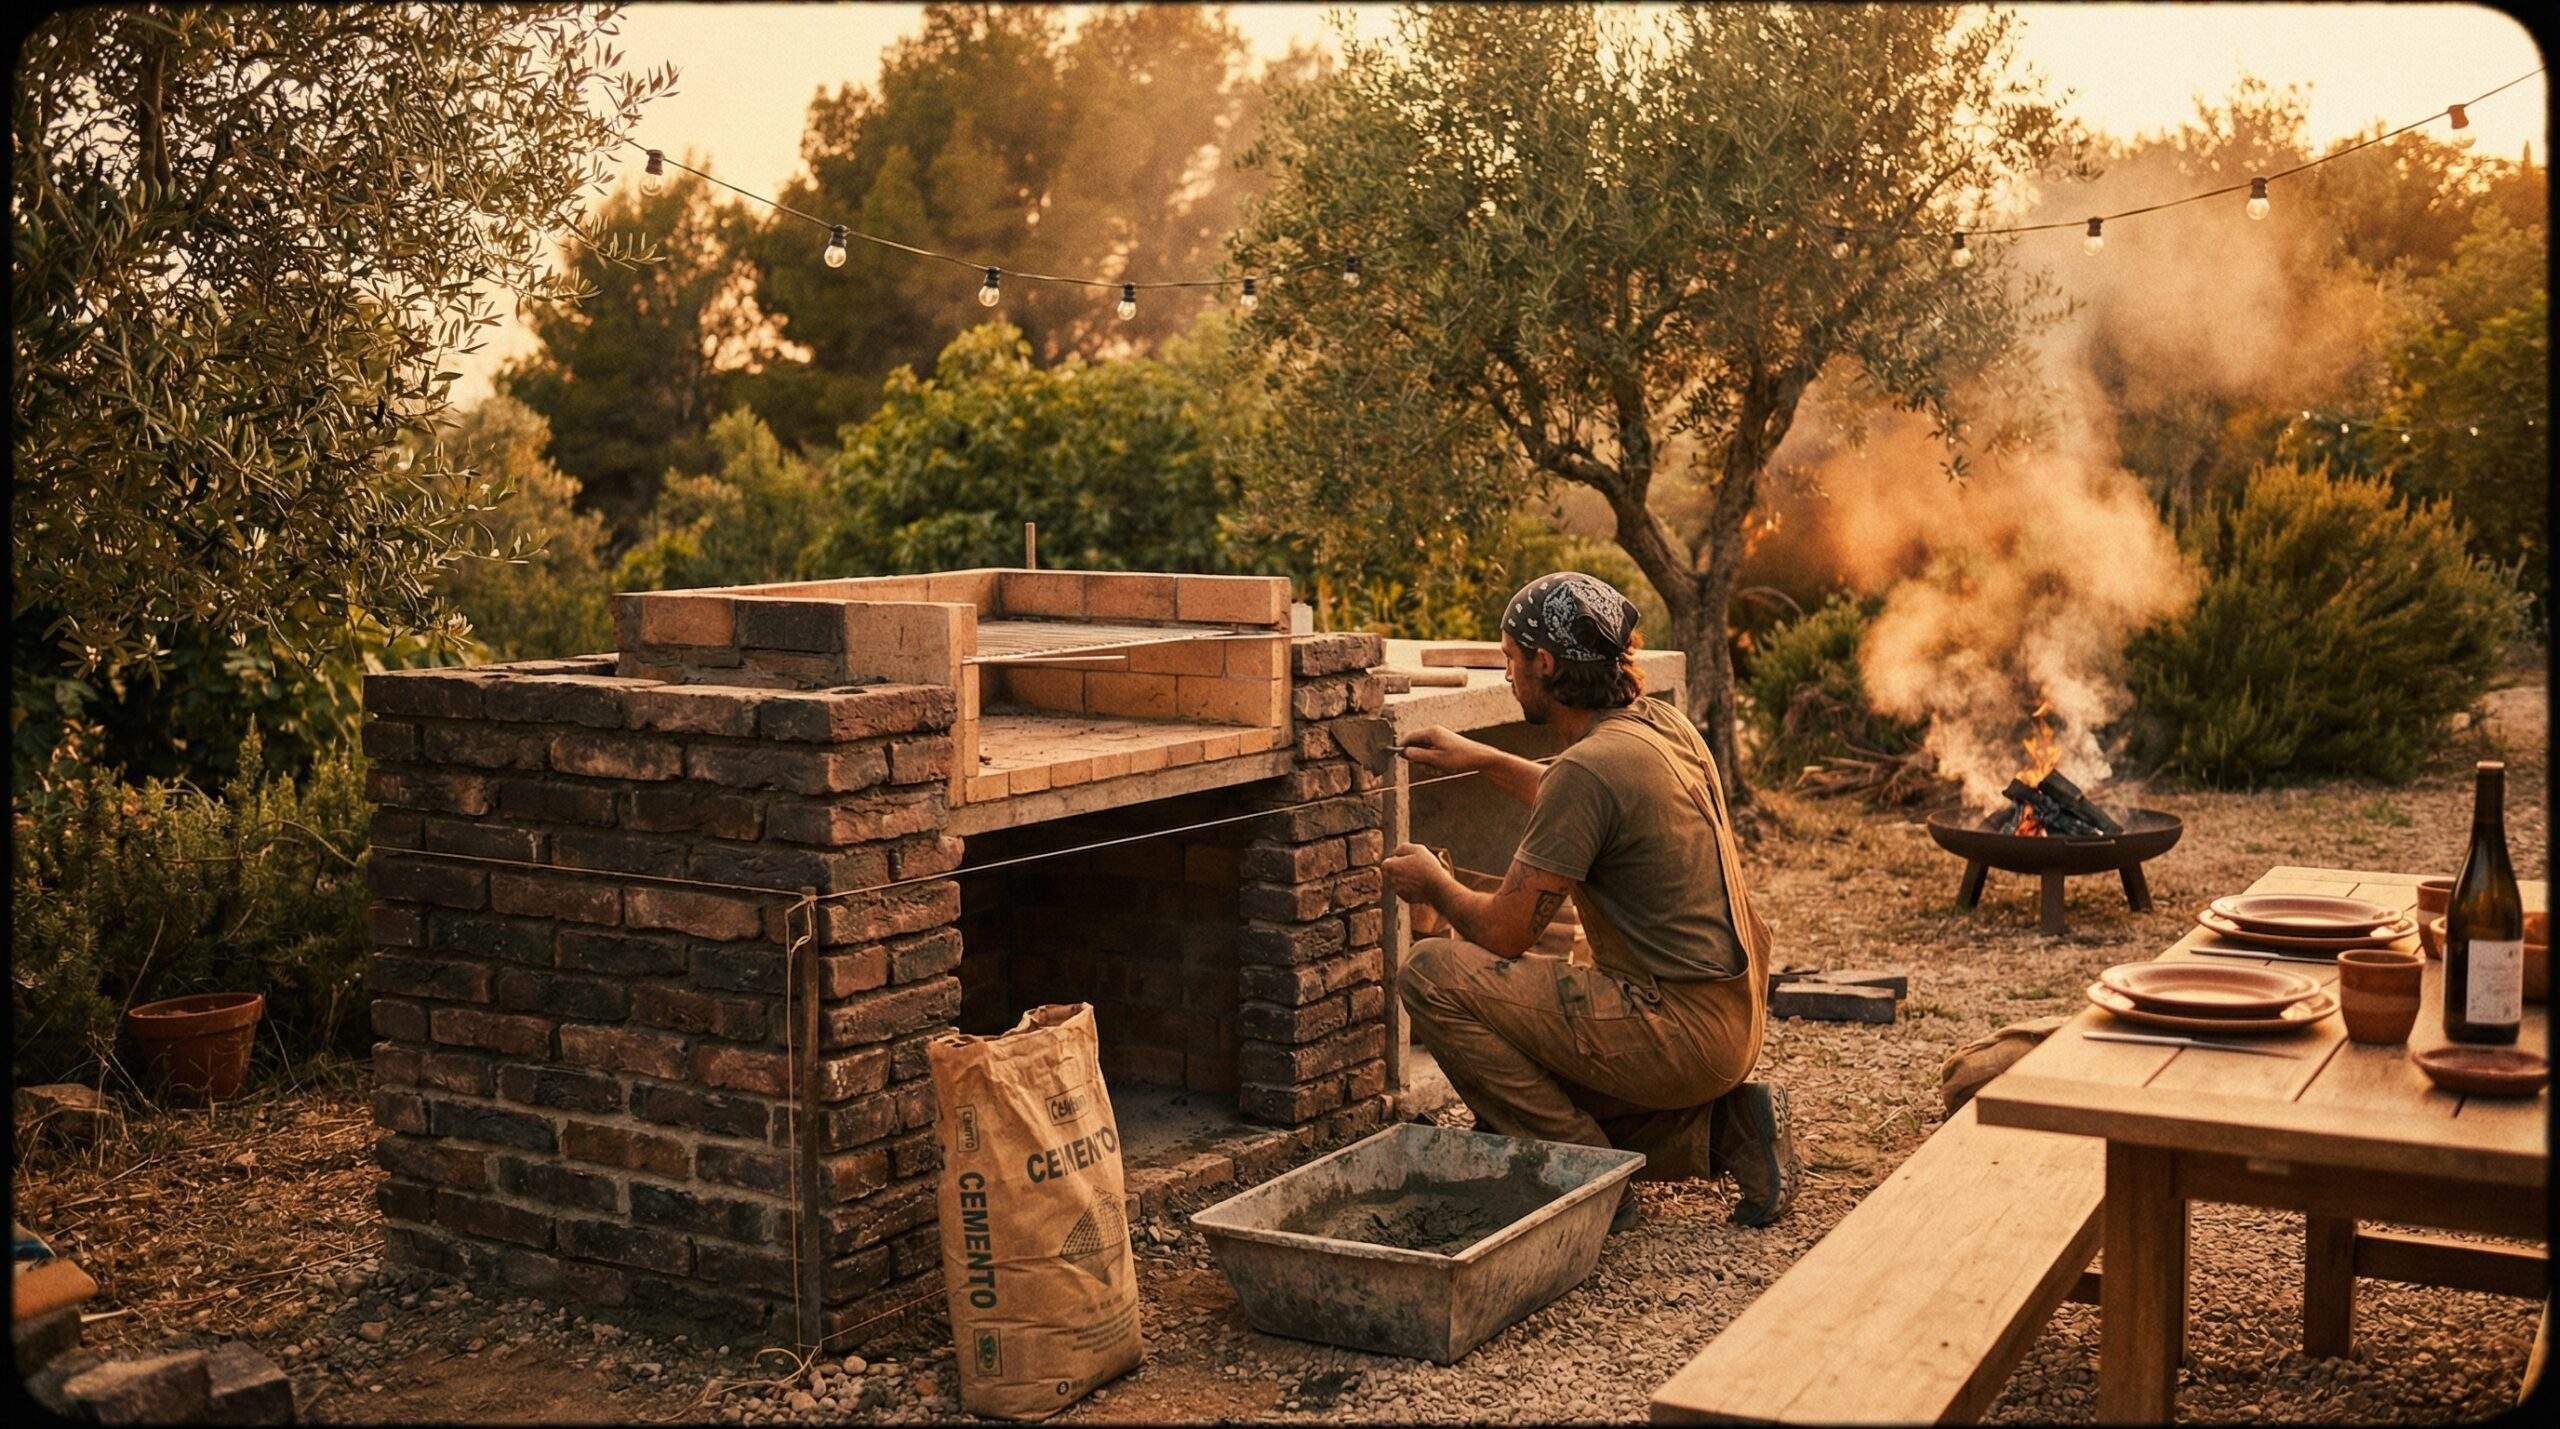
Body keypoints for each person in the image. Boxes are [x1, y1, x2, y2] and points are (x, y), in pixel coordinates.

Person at [1383, 572, 1798, 1228]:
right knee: (1506, 1112)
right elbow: (1576, 794)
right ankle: (1729, 1131)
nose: (1508, 674)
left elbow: (1503, 933)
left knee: (1431, 977)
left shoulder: (1590, 771)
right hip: (1732, 1015)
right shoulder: (1660, 725)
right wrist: (1484, 758)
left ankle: (1586, 1173)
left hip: (1677, 1026)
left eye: (1511, 660)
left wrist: (1435, 883)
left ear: (1546, 664)